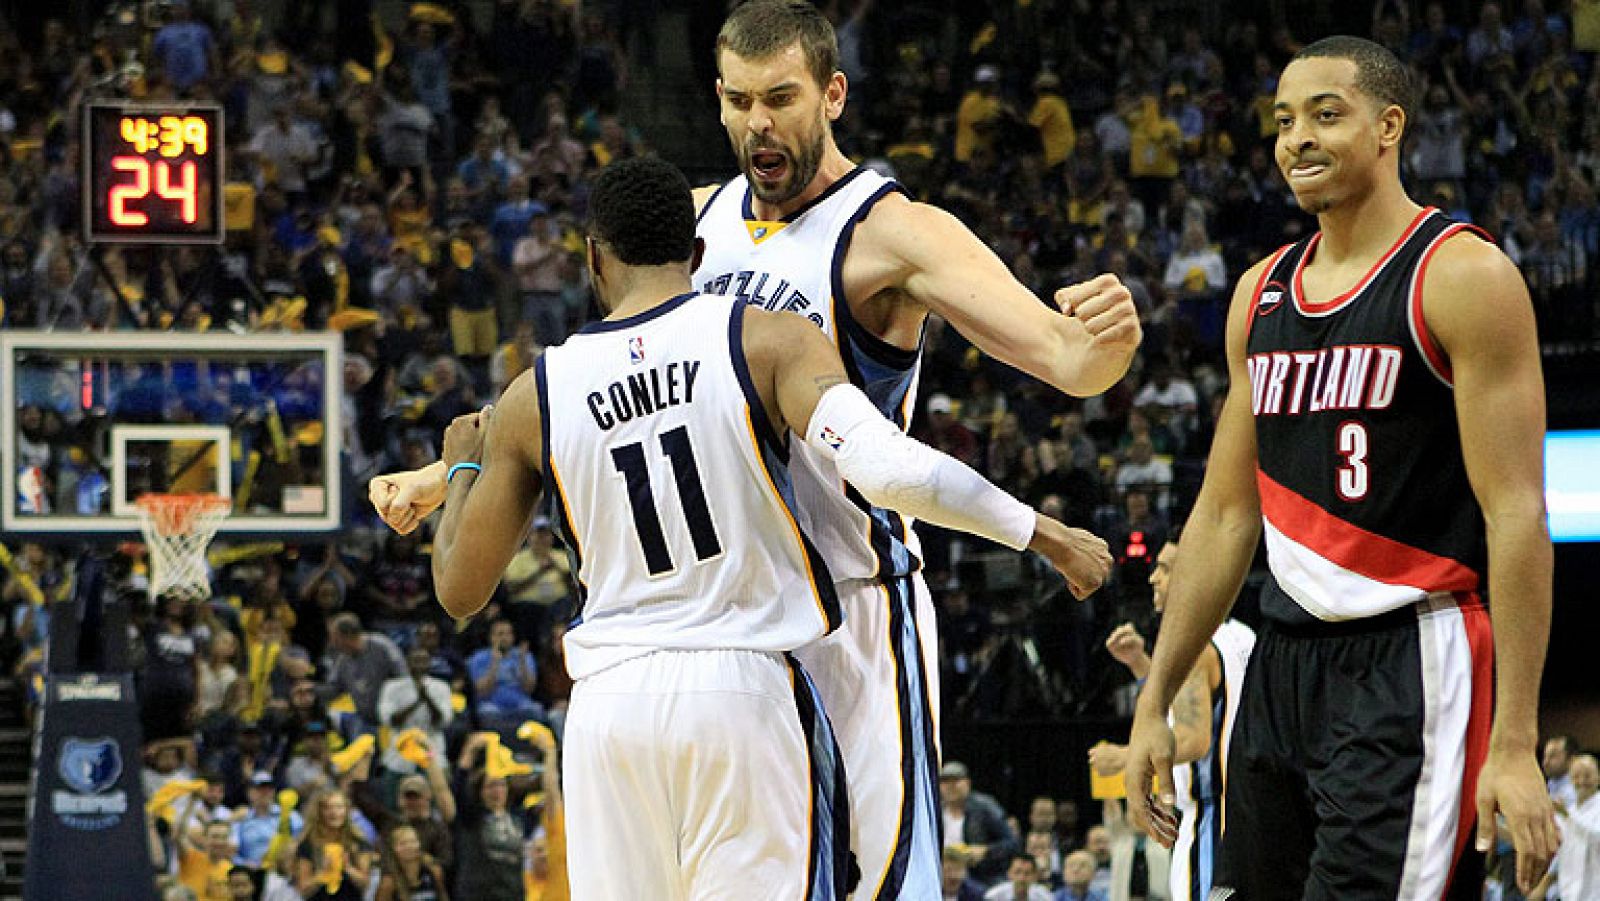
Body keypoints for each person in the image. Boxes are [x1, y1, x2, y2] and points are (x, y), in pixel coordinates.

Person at [371, 158, 1110, 897]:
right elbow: (889, 471)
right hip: (741, 686)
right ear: (698, 255)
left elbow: (459, 589)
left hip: (606, 706)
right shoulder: (769, 341)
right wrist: (1040, 531)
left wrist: (458, 470)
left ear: (593, 258)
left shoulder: (536, 395)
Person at [693, 3, 1140, 895]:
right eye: (740, 101)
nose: (759, 124)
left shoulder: (895, 232)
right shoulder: (696, 221)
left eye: (781, 98)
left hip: (853, 608)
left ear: (834, 93)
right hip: (730, 616)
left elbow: (1064, 358)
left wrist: (1110, 342)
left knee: (884, 881)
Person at [1122, 35, 1559, 899]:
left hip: (1415, 651)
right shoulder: (1260, 292)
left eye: (1327, 114)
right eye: (1285, 122)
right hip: (1283, 665)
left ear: (1390, 126)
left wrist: (1514, 741)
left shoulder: (1463, 276)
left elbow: (1517, 514)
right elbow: (1222, 515)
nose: (1298, 140)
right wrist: (1155, 698)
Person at [1090, 533, 1254, 901]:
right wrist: (1141, 665)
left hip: (1212, 820)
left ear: (1195, 575)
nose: (1153, 578)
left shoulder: (1193, 648)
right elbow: (1201, 703)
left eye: (1165, 569)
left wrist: (1126, 756)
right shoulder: (1237, 635)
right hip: (1246, 814)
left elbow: (1196, 738)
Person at [940, 761, 1021, 885]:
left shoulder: (985, 808)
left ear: (967, 783)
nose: (951, 787)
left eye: (956, 781)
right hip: (942, 875)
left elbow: (1012, 843)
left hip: (978, 878)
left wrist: (986, 851)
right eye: (946, 782)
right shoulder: (935, 811)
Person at [984, 855, 1053, 901]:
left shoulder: (1045, 897)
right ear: (1009, 873)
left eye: (1027, 873)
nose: (1021, 878)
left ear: (1034, 876)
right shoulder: (994, 896)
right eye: (1017, 872)